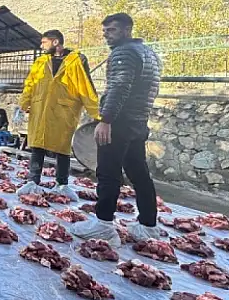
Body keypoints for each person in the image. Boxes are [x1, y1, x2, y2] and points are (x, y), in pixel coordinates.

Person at [71, 13, 161, 245]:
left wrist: (106, 120)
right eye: (105, 31)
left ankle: (103, 223)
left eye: (111, 30)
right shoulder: (149, 53)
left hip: (120, 123)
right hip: (138, 122)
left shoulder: (123, 53)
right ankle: (148, 224)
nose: (106, 35)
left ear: (127, 29)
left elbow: (119, 88)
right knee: (139, 173)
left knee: (108, 172)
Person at [17, 29, 99, 201]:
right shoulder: (41, 61)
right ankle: (33, 181)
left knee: (62, 148)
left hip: (64, 110)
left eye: (44, 42)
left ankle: (62, 183)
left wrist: (97, 113)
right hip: (41, 108)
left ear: (55, 42)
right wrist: (24, 102)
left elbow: (86, 87)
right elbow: (30, 83)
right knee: (37, 145)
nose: (41, 46)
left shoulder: (76, 60)